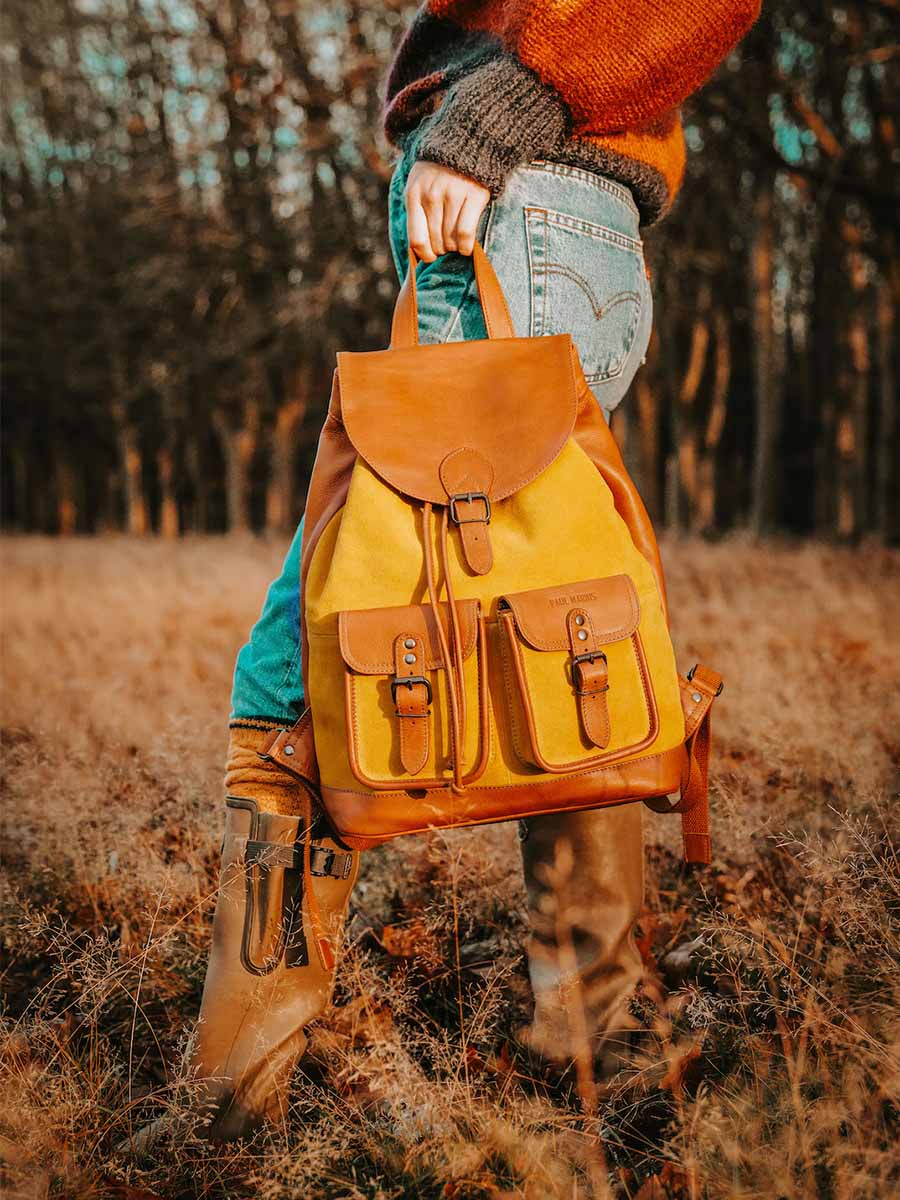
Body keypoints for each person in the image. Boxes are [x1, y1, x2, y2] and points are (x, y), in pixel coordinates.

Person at [181, 0, 761, 1142]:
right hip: (538, 216)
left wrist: (495, 117)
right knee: (555, 641)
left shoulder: (508, 125)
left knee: (294, 676)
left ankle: (230, 1114)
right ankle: (604, 1064)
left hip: (525, 201)